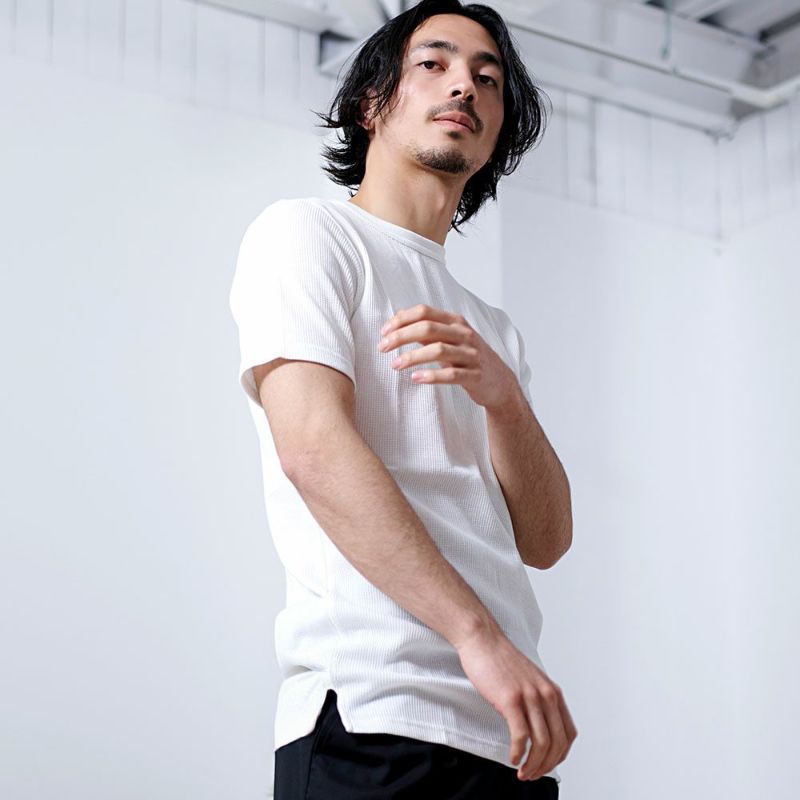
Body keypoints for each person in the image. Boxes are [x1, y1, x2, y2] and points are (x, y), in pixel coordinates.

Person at [228, 1, 578, 797]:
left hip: (506, 734)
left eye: (488, 79)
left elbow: (547, 539)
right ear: (371, 101)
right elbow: (312, 450)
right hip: (372, 713)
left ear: (497, 134)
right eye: (434, 63)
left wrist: (506, 400)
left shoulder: (492, 328)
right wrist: (477, 637)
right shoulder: (307, 235)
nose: (465, 86)